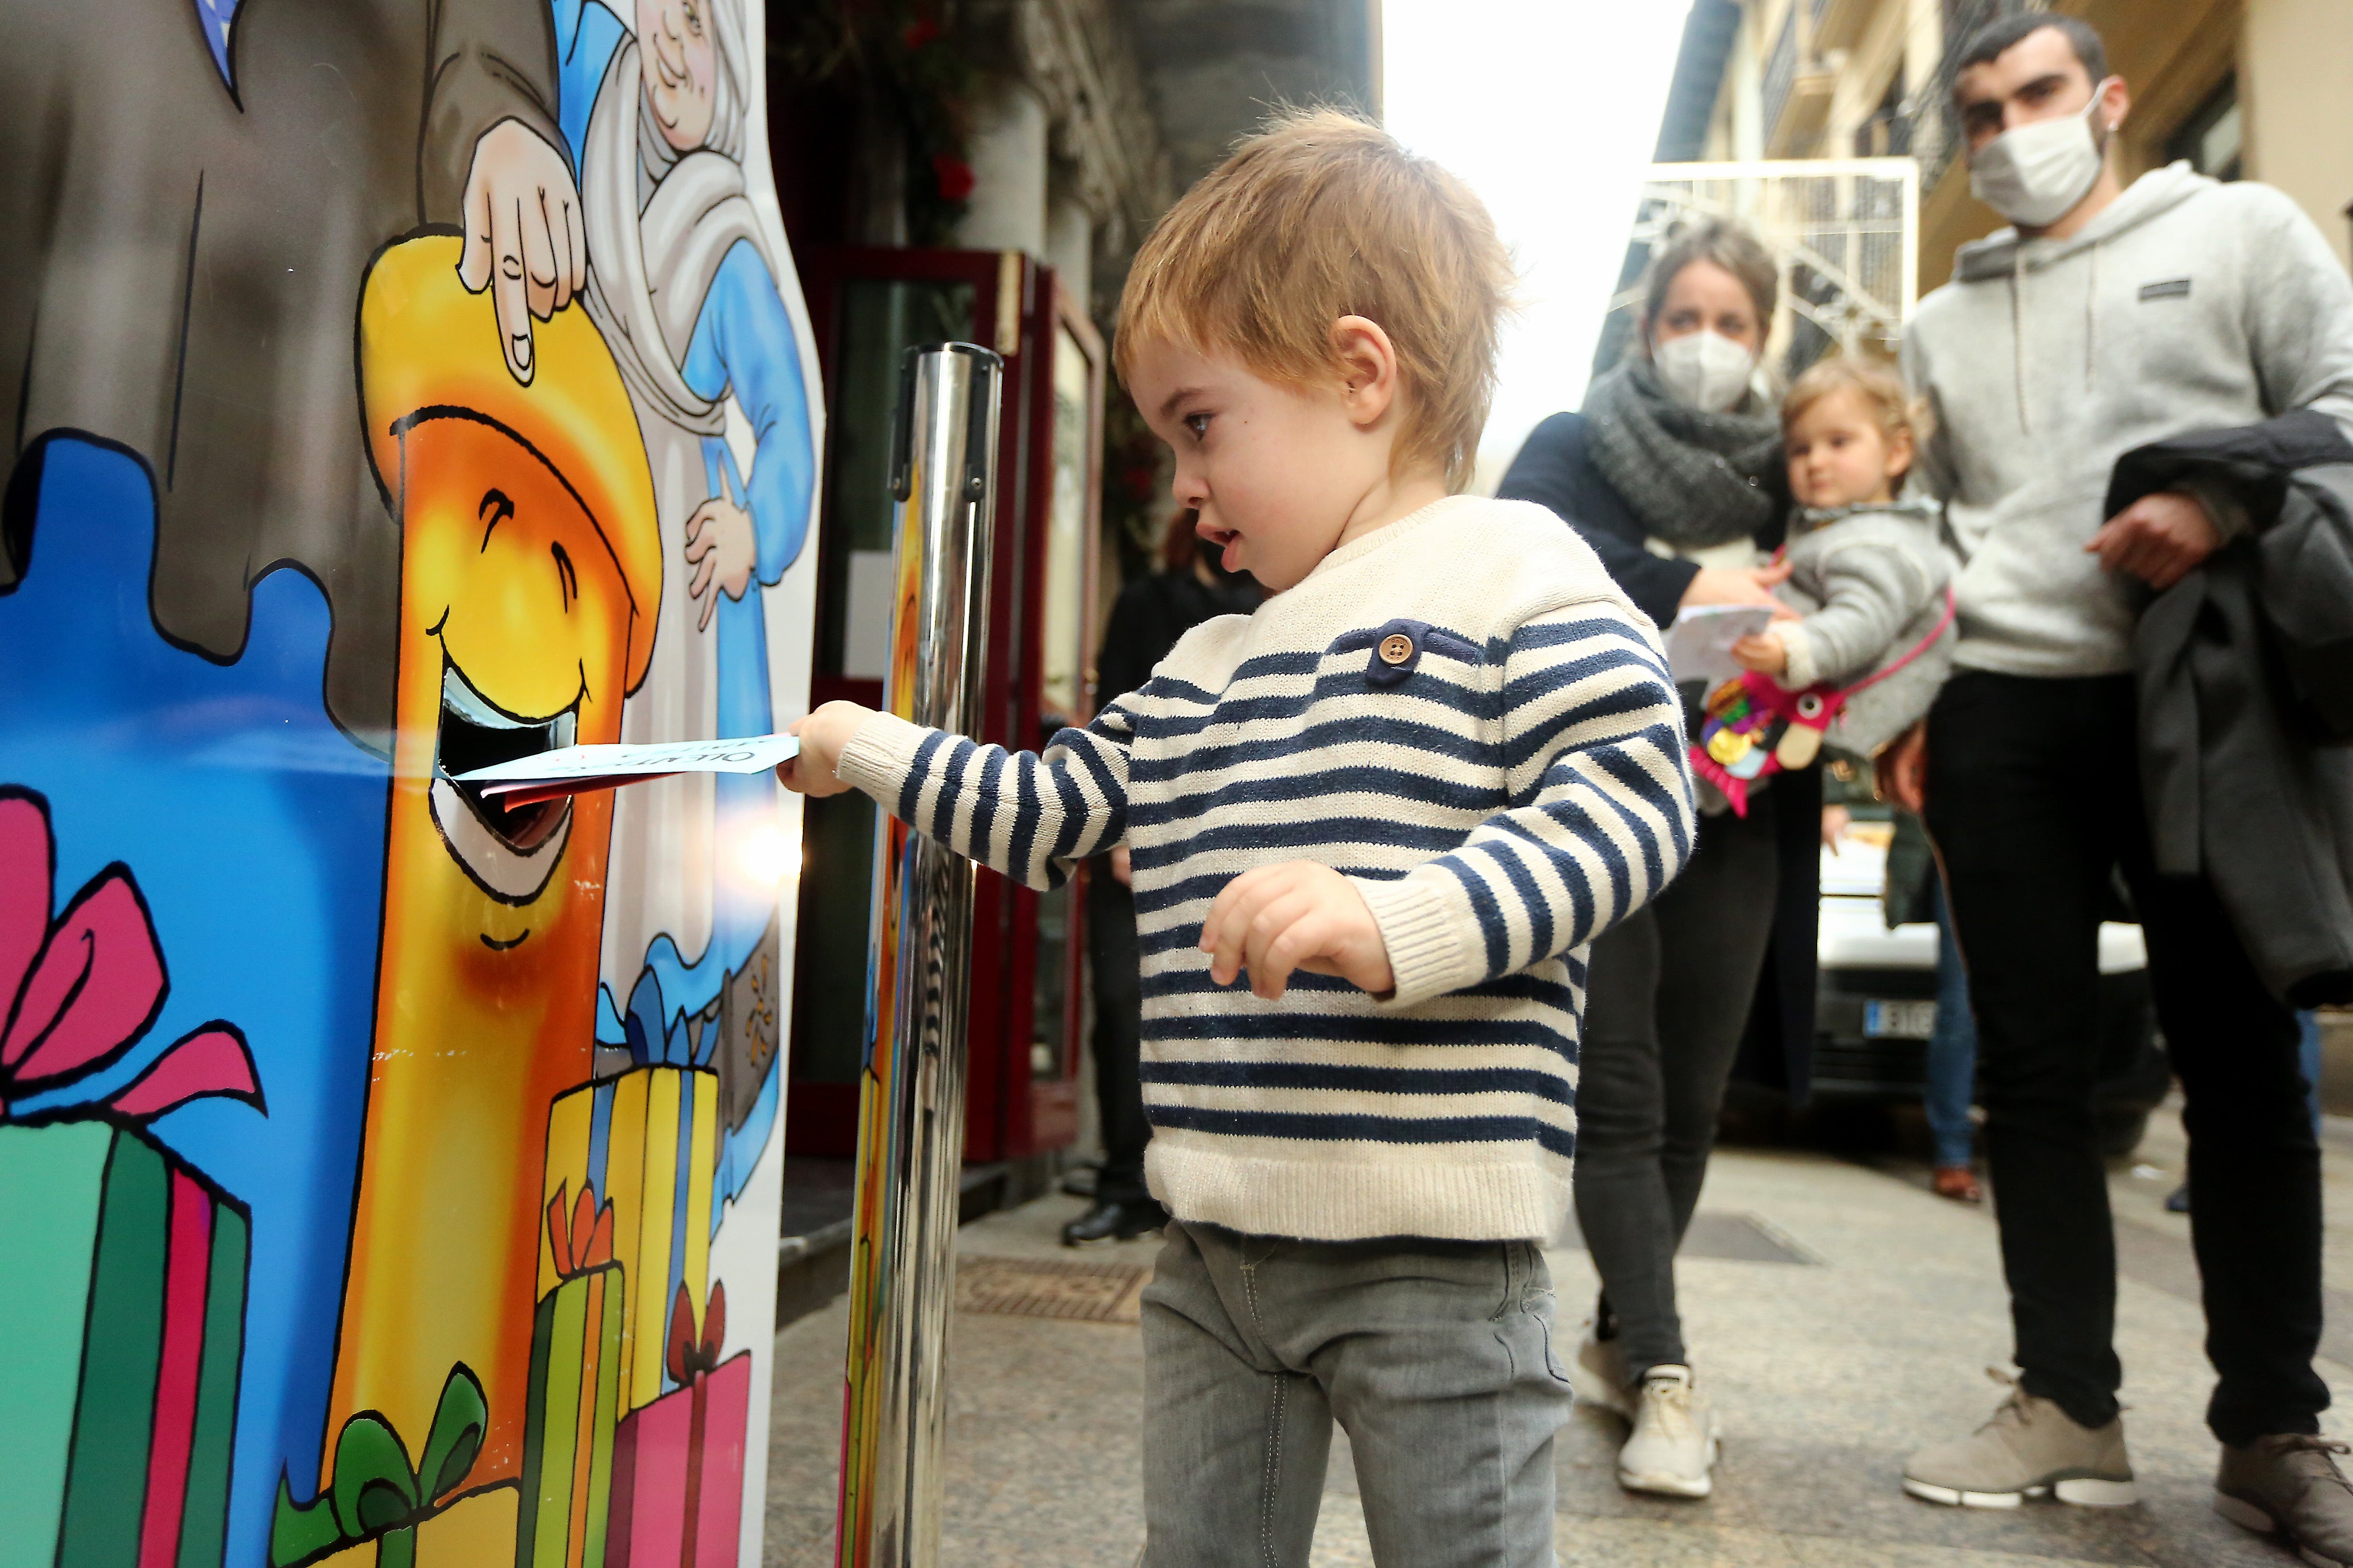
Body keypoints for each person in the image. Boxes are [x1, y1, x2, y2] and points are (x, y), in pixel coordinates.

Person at [782, 109, 1696, 1566]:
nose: (1182, 485)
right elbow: (1047, 810)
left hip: (1435, 1259)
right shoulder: (1206, 661)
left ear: (1359, 374)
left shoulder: (1517, 568)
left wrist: (1398, 919)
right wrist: (865, 747)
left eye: (1200, 425)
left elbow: (1634, 801)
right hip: (1213, 1254)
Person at [1880, 14, 2353, 1550]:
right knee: (2029, 1071)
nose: (2011, 129)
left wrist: (2219, 502)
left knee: (2243, 1060)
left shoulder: (2239, 232)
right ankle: (2067, 1403)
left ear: (2109, 99)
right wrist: (1905, 698)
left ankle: (2273, 1428)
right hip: (2000, 710)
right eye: (1981, 111)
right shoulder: (1937, 326)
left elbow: (2349, 408)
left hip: (2194, 692)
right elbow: (1934, 534)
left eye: (2039, 93)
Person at [1498, 218, 1814, 1500]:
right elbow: (1526, 552)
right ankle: (1669, 1376)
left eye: (1731, 324)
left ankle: (1621, 1337)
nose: (1705, 343)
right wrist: (1689, 588)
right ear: (1644, 329)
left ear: (1763, 338)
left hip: (1742, 812)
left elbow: (1864, 578)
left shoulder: (1790, 471)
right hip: (1602, 799)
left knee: (1691, 1099)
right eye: (1684, 319)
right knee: (1617, 1089)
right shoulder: (1573, 446)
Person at [1066, 510, 1262, 1247]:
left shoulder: (1285, 606)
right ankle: (1127, 1185)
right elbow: (1110, 721)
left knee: (1229, 1010)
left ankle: (1206, 1190)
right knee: (1123, 1008)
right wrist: (1123, 832)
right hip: (1133, 839)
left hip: (1240, 849)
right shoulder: (1148, 601)